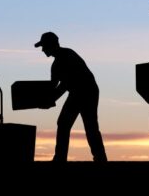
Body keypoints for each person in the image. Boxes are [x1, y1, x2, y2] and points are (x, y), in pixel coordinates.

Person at [34, 32, 107, 162]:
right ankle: (62, 157)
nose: (43, 49)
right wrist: (43, 99)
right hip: (77, 93)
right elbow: (53, 86)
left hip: (87, 91)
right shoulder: (56, 65)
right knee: (66, 123)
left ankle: (98, 158)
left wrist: (50, 100)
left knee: (88, 125)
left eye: (44, 46)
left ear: (51, 45)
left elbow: (65, 84)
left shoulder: (67, 55)